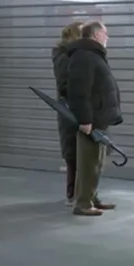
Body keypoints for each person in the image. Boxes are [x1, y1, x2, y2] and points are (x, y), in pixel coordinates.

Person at [65, 21, 121, 217]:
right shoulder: (85, 56)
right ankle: (83, 203)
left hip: (99, 117)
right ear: (96, 35)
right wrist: (85, 119)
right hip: (92, 120)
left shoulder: (93, 55)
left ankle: (91, 197)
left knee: (97, 162)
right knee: (89, 163)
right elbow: (79, 92)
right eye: (105, 33)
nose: (108, 37)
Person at [53, 21, 84, 206]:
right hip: (71, 112)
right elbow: (64, 85)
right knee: (73, 155)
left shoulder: (77, 53)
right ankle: (72, 195)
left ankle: (85, 194)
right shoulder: (64, 55)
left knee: (83, 156)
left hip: (79, 110)